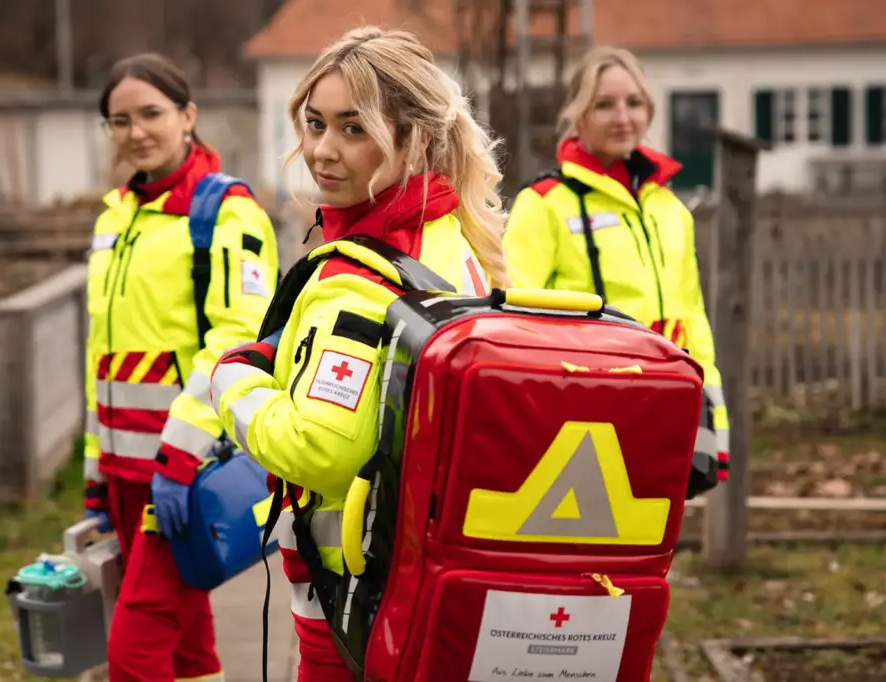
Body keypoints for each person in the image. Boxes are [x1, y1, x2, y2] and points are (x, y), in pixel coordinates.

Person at [204, 26, 508, 682]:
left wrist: (232, 383)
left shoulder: (363, 281)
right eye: (314, 124)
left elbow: (318, 448)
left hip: (349, 596)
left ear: (417, 140)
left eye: (353, 129)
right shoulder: (453, 239)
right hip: (430, 577)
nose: (320, 150)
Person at [82, 52, 279, 682]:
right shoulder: (115, 215)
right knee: (188, 646)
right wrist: (94, 471)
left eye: (150, 113)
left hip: (183, 471)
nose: (135, 131)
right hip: (124, 471)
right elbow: (102, 358)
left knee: (132, 654)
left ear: (187, 115)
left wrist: (181, 455)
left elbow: (236, 340)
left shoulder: (228, 211)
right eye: (119, 120)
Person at [502, 46, 728, 495]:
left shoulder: (670, 209)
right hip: (583, 408)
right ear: (577, 115)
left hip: (670, 400)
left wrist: (714, 417)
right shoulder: (544, 203)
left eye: (634, 103)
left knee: (654, 545)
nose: (622, 116)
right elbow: (513, 321)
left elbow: (692, 318)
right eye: (604, 104)